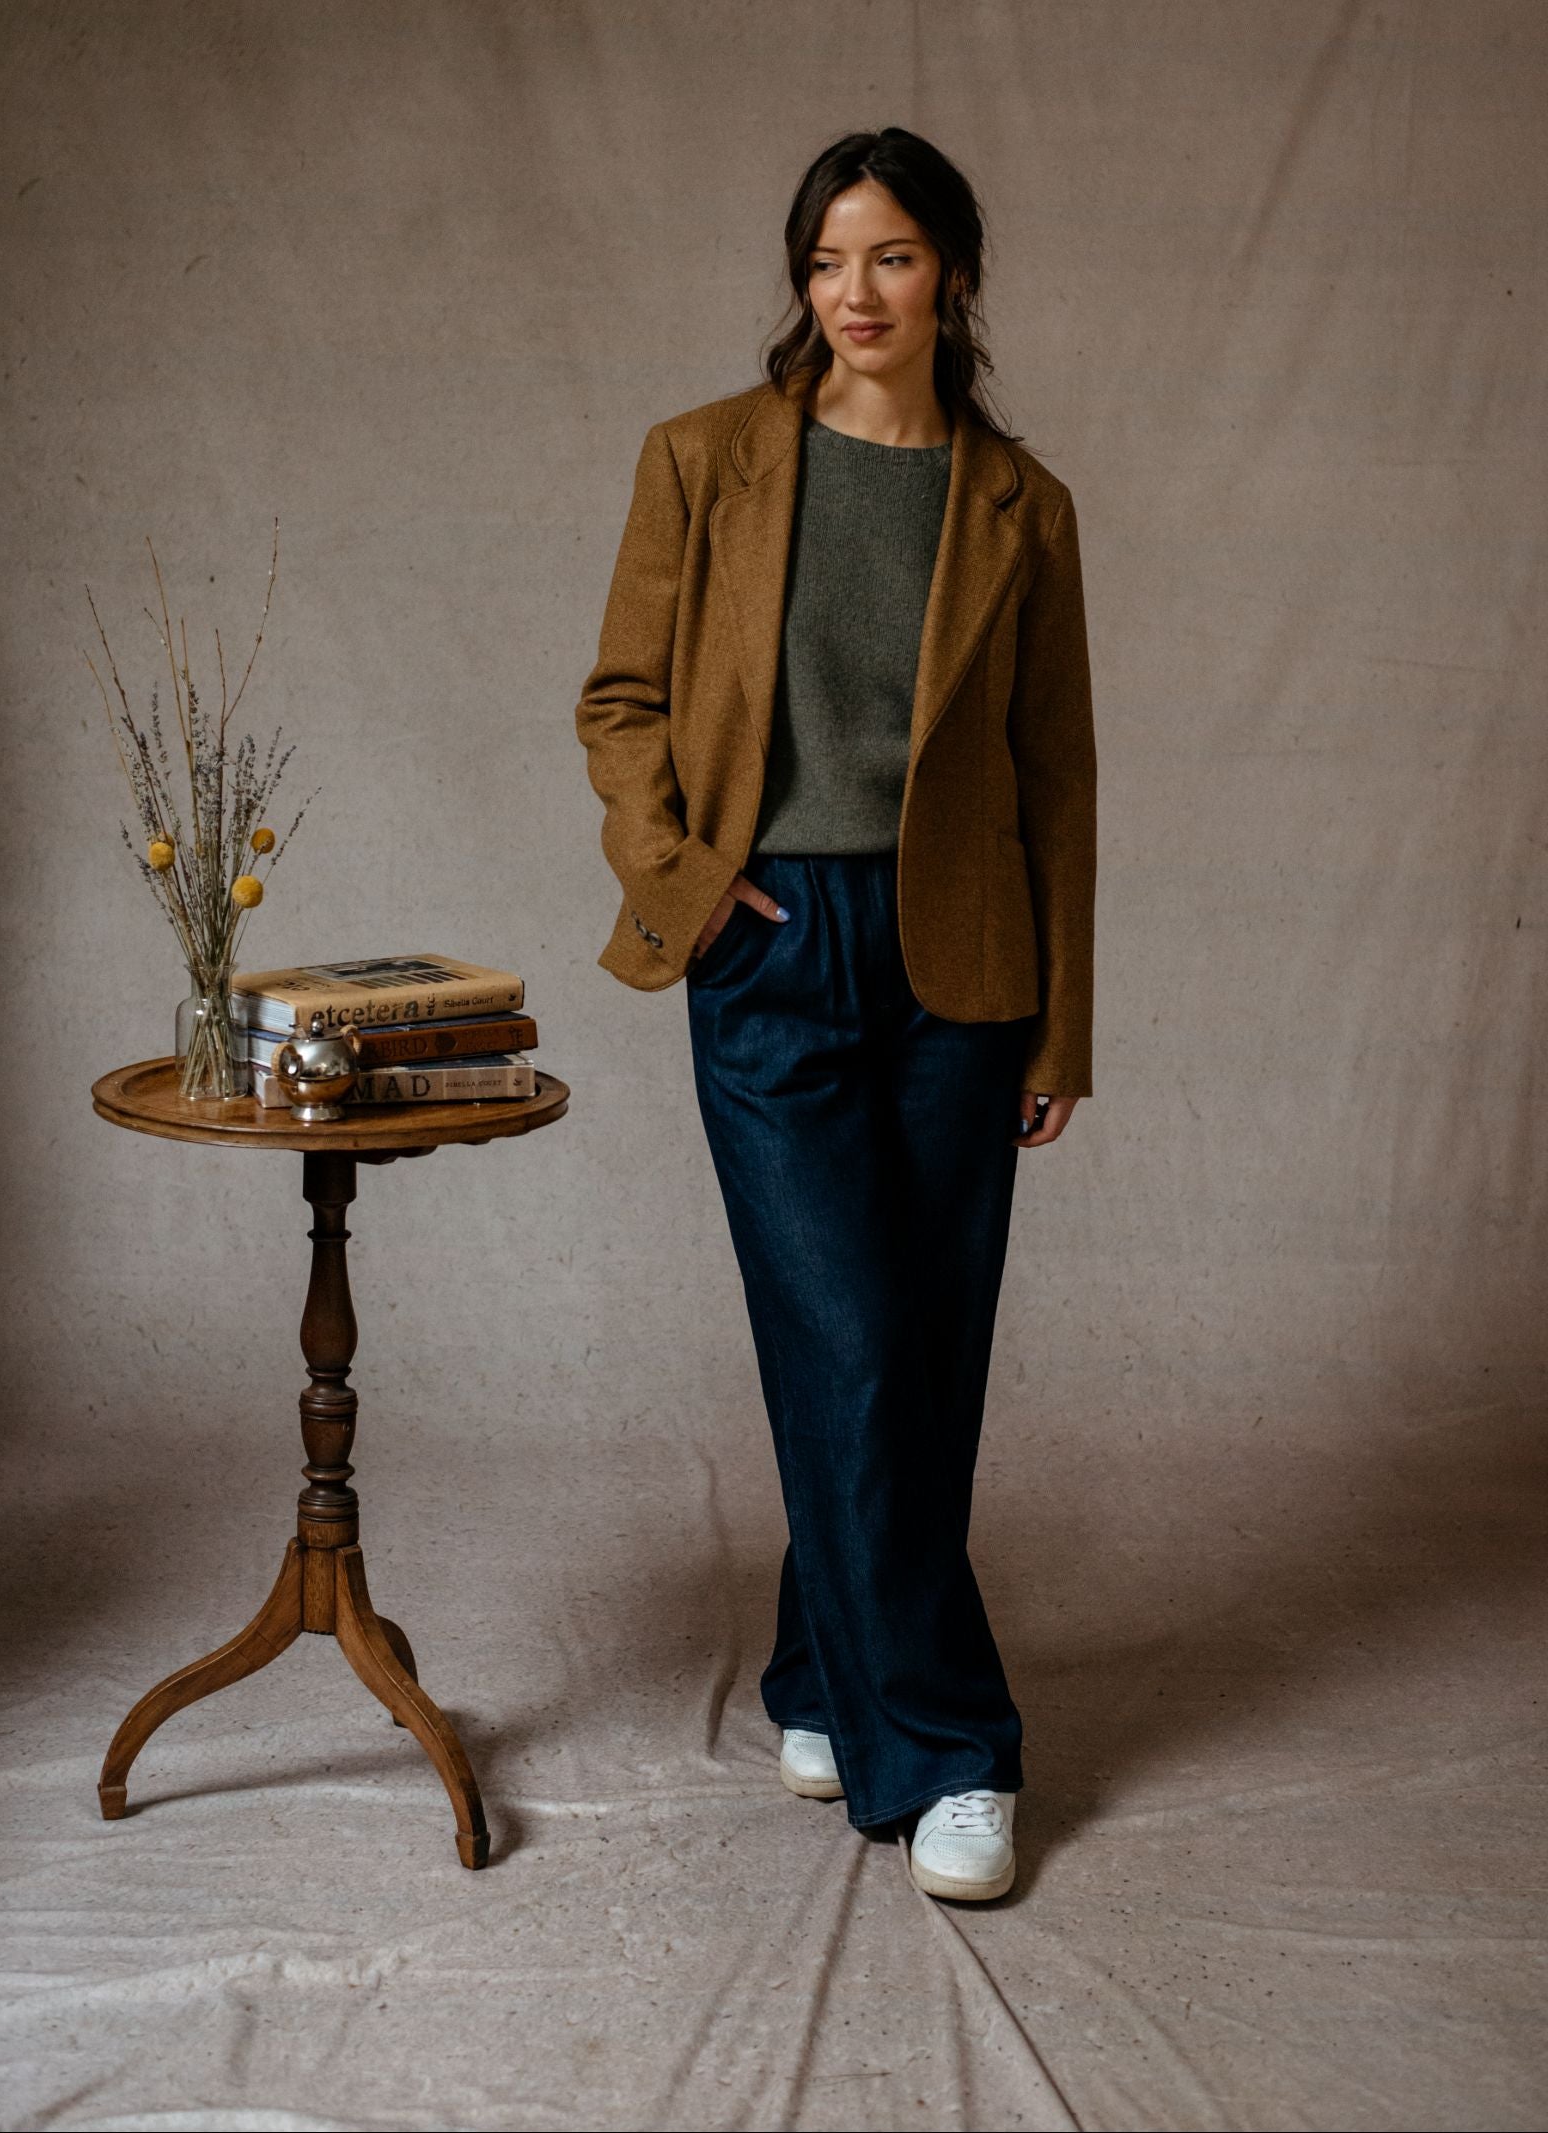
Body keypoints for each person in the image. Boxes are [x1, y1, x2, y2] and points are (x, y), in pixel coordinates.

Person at [574, 126, 1096, 1903]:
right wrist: (688, 884)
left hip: (963, 962)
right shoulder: (705, 460)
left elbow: (1057, 779)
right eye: (824, 263)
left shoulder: (1021, 503)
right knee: (855, 1339)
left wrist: (1061, 1028)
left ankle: (816, 1665)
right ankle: (951, 1747)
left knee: (919, 1362)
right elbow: (620, 700)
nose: (854, 295)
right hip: (772, 943)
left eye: (888, 258)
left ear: (952, 269)